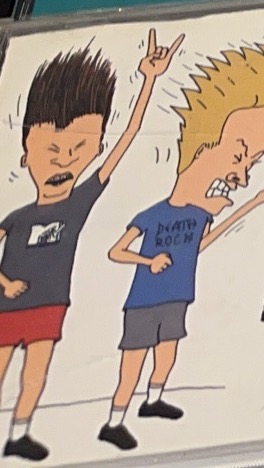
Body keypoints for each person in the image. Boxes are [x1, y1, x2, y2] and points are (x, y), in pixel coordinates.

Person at [98, 44, 264, 451]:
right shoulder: (153, 213)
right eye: (239, 156)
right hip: (143, 301)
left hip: (177, 297)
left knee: (167, 355)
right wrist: (149, 260)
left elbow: (203, 244)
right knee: (133, 361)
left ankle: (153, 400)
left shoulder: (201, 215)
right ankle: (114, 421)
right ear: (202, 146)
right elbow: (115, 251)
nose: (242, 177)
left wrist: (258, 200)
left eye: (252, 163)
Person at [0, 36, 174, 461]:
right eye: (51, 149)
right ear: (25, 154)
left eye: (78, 149)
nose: (63, 160)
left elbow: (129, 135)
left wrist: (149, 80)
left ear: (94, 150)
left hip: (50, 303)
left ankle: (18, 434)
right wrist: (4, 284)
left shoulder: (79, 202)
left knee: (35, 375)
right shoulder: (17, 217)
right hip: (7, 306)